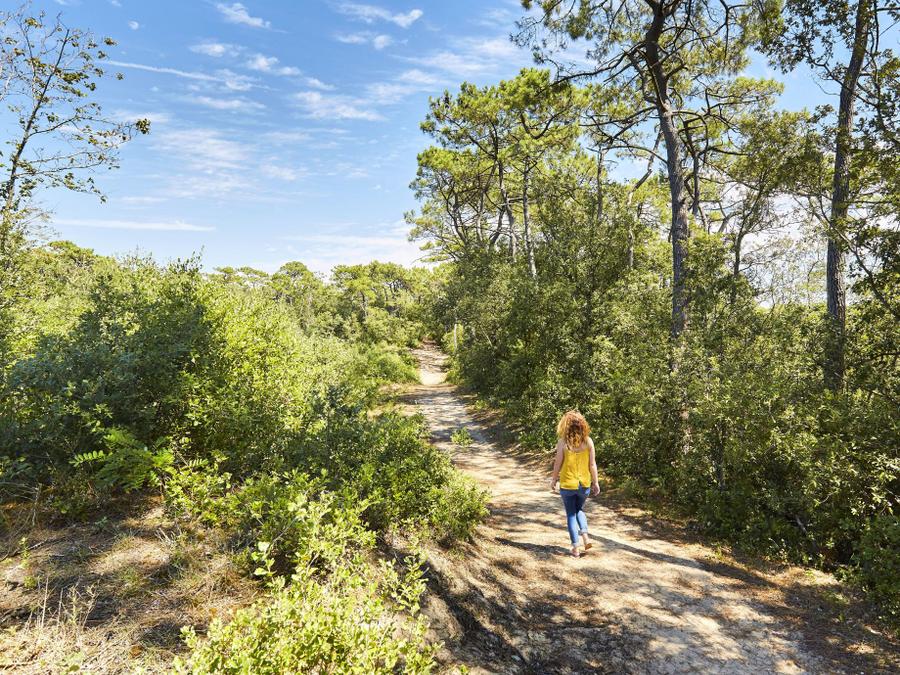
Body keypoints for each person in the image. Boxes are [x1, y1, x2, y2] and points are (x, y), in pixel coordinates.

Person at [549, 410, 600, 558]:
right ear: (582, 425)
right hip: (584, 485)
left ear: (565, 425)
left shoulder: (563, 442)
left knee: (571, 514)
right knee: (579, 510)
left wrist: (554, 479)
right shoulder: (588, 441)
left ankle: (575, 547)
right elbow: (592, 465)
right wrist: (595, 482)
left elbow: (558, 463)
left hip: (567, 484)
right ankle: (585, 536)